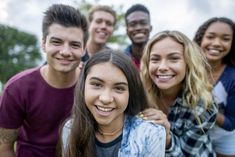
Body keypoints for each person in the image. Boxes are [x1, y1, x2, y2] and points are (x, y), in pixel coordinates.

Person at [0, 4, 88, 157]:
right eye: (56, 42)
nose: (65, 52)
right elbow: (4, 147)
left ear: (84, 49)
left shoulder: (92, 83)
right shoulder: (17, 88)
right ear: (43, 44)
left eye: (74, 44)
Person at [58, 50, 166, 157]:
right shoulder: (70, 129)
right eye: (97, 84)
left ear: (131, 92)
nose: (105, 98)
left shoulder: (151, 134)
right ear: (83, 86)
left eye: (119, 88)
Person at [140, 30, 217, 156]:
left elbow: (186, 154)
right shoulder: (139, 95)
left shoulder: (204, 106)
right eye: (155, 59)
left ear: (188, 64)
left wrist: (167, 138)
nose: (162, 67)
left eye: (174, 59)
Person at [194, 17, 235, 157]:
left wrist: (202, 108)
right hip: (195, 137)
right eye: (210, 37)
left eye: (225, 38)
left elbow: (231, 124)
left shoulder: (232, 77)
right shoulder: (189, 70)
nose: (216, 43)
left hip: (225, 141)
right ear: (200, 39)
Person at [124, 4, 152, 70]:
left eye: (143, 23)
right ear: (127, 31)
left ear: (150, 28)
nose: (138, 28)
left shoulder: (163, 56)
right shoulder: (120, 60)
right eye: (132, 24)